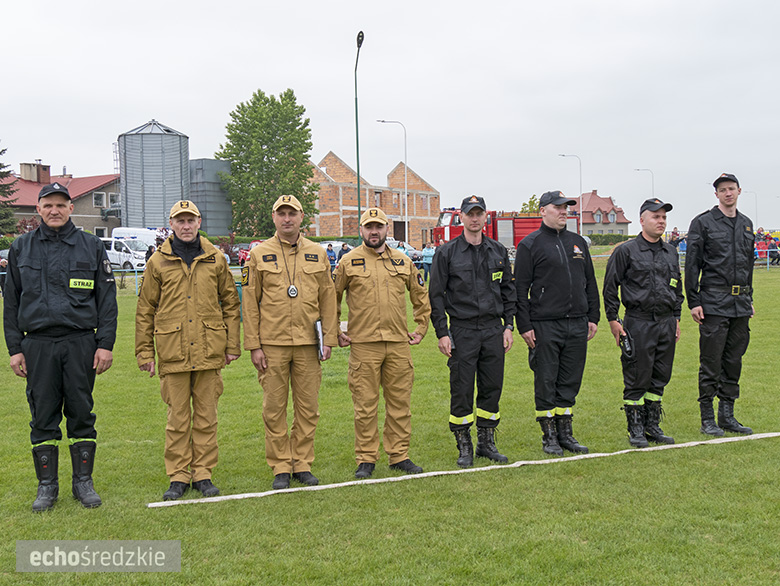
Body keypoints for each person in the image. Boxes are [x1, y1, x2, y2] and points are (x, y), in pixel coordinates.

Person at [3, 183, 118, 512]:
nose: (54, 210)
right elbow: (10, 305)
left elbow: (107, 303)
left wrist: (105, 344)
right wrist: (15, 348)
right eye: (48, 205)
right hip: (37, 344)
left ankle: (83, 482)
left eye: (61, 204)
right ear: (38, 209)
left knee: (81, 412)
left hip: (80, 342)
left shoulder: (91, 246)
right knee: (43, 415)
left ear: (70, 208)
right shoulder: (21, 249)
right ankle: (46, 485)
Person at [135, 200, 241, 501]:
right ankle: (179, 475)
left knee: (207, 417)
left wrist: (232, 345)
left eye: (190, 220)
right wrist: (145, 353)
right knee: (177, 418)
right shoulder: (157, 262)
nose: (185, 225)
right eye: (180, 220)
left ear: (199, 222)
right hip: (173, 351)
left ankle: (203, 474)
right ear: (171, 224)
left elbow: (232, 305)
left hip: (209, 350)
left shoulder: (215, 259)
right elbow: (145, 310)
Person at [243, 195, 338, 490]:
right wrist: (254, 345)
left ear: (301, 217)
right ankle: (281, 466)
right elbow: (249, 302)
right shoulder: (259, 255)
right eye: (281, 214)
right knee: (274, 408)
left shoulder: (318, 253)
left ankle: (302, 463)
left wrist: (329, 339)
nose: (287, 219)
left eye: (292, 214)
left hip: (309, 343)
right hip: (272, 344)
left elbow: (328, 298)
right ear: (274, 218)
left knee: (308, 407)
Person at [333, 208, 431, 479]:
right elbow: (332, 298)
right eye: (368, 227)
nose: (373, 231)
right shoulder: (348, 262)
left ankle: (399, 455)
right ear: (361, 230)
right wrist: (334, 331)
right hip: (364, 344)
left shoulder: (403, 261)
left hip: (398, 343)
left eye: (378, 226)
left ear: (387, 229)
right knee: (365, 405)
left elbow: (420, 295)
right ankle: (366, 458)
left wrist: (421, 327)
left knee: (400, 403)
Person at [429, 195, 516, 467]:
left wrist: (509, 326)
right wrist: (442, 332)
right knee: (462, 388)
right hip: (463, 330)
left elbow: (508, 292)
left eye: (479, 213)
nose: (475, 218)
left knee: (492, 387)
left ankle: (486, 442)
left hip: (493, 329)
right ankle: (464, 445)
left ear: (485, 217)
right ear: (462, 218)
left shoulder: (498, 251)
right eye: (470, 214)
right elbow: (436, 296)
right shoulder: (447, 253)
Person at [514, 191, 600, 456]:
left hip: (577, 323)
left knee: (570, 380)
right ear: (543, 211)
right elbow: (520, 290)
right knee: (546, 379)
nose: (564, 211)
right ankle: (548, 435)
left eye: (567, 207)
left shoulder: (578, 243)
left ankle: (566, 432)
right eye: (558, 207)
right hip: (545, 324)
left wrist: (593, 317)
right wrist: (525, 325)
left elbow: (590, 283)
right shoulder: (530, 245)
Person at [603, 199, 683, 448]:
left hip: (666, 322)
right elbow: (609, 288)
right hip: (638, 322)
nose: (661, 221)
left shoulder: (670, 251)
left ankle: (652, 425)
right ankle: (635, 427)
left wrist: (677, 317)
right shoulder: (626, 251)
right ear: (642, 220)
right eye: (655, 217)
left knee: (660, 375)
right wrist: (614, 320)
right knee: (637, 375)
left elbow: (677, 286)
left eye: (664, 218)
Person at [685, 173, 754, 436]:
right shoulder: (703, 223)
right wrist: (694, 301)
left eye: (731, 189)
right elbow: (692, 265)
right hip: (713, 302)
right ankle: (707, 418)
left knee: (734, 360)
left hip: (740, 303)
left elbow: (748, 267)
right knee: (711, 361)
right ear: (716, 194)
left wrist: (750, 298)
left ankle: (727, 415)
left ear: (739, 191)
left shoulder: (746, 224)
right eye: (722, 190)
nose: (728, 193)